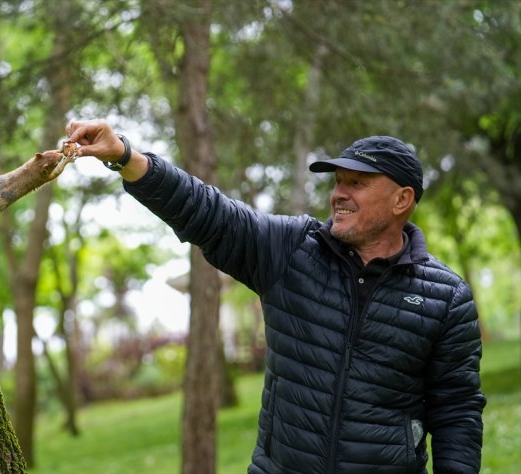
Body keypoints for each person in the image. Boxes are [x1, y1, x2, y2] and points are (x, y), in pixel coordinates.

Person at [65, 119, 485, 474]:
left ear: (402, 199)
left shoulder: (446, 298)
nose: (340, 193)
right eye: (338, 181)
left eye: (357, 183)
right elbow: (206, 211)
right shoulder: (292, 249)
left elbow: (457, 412)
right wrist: (124, 156)